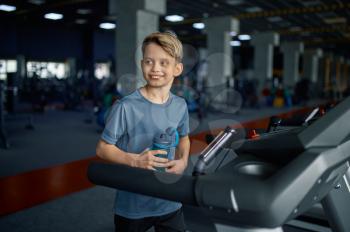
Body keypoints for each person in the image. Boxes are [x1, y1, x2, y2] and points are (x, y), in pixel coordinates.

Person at [95, 32, 190, 232]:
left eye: (164, 63)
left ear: (177, 68)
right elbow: (103, 149)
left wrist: (183, 161)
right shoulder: (125, 106)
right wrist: (136, 161)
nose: (155, 68)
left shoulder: (180, 105)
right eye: (149, 61)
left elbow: (184, 138)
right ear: (141, 64)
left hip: (169, 200)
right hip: (133, 205)